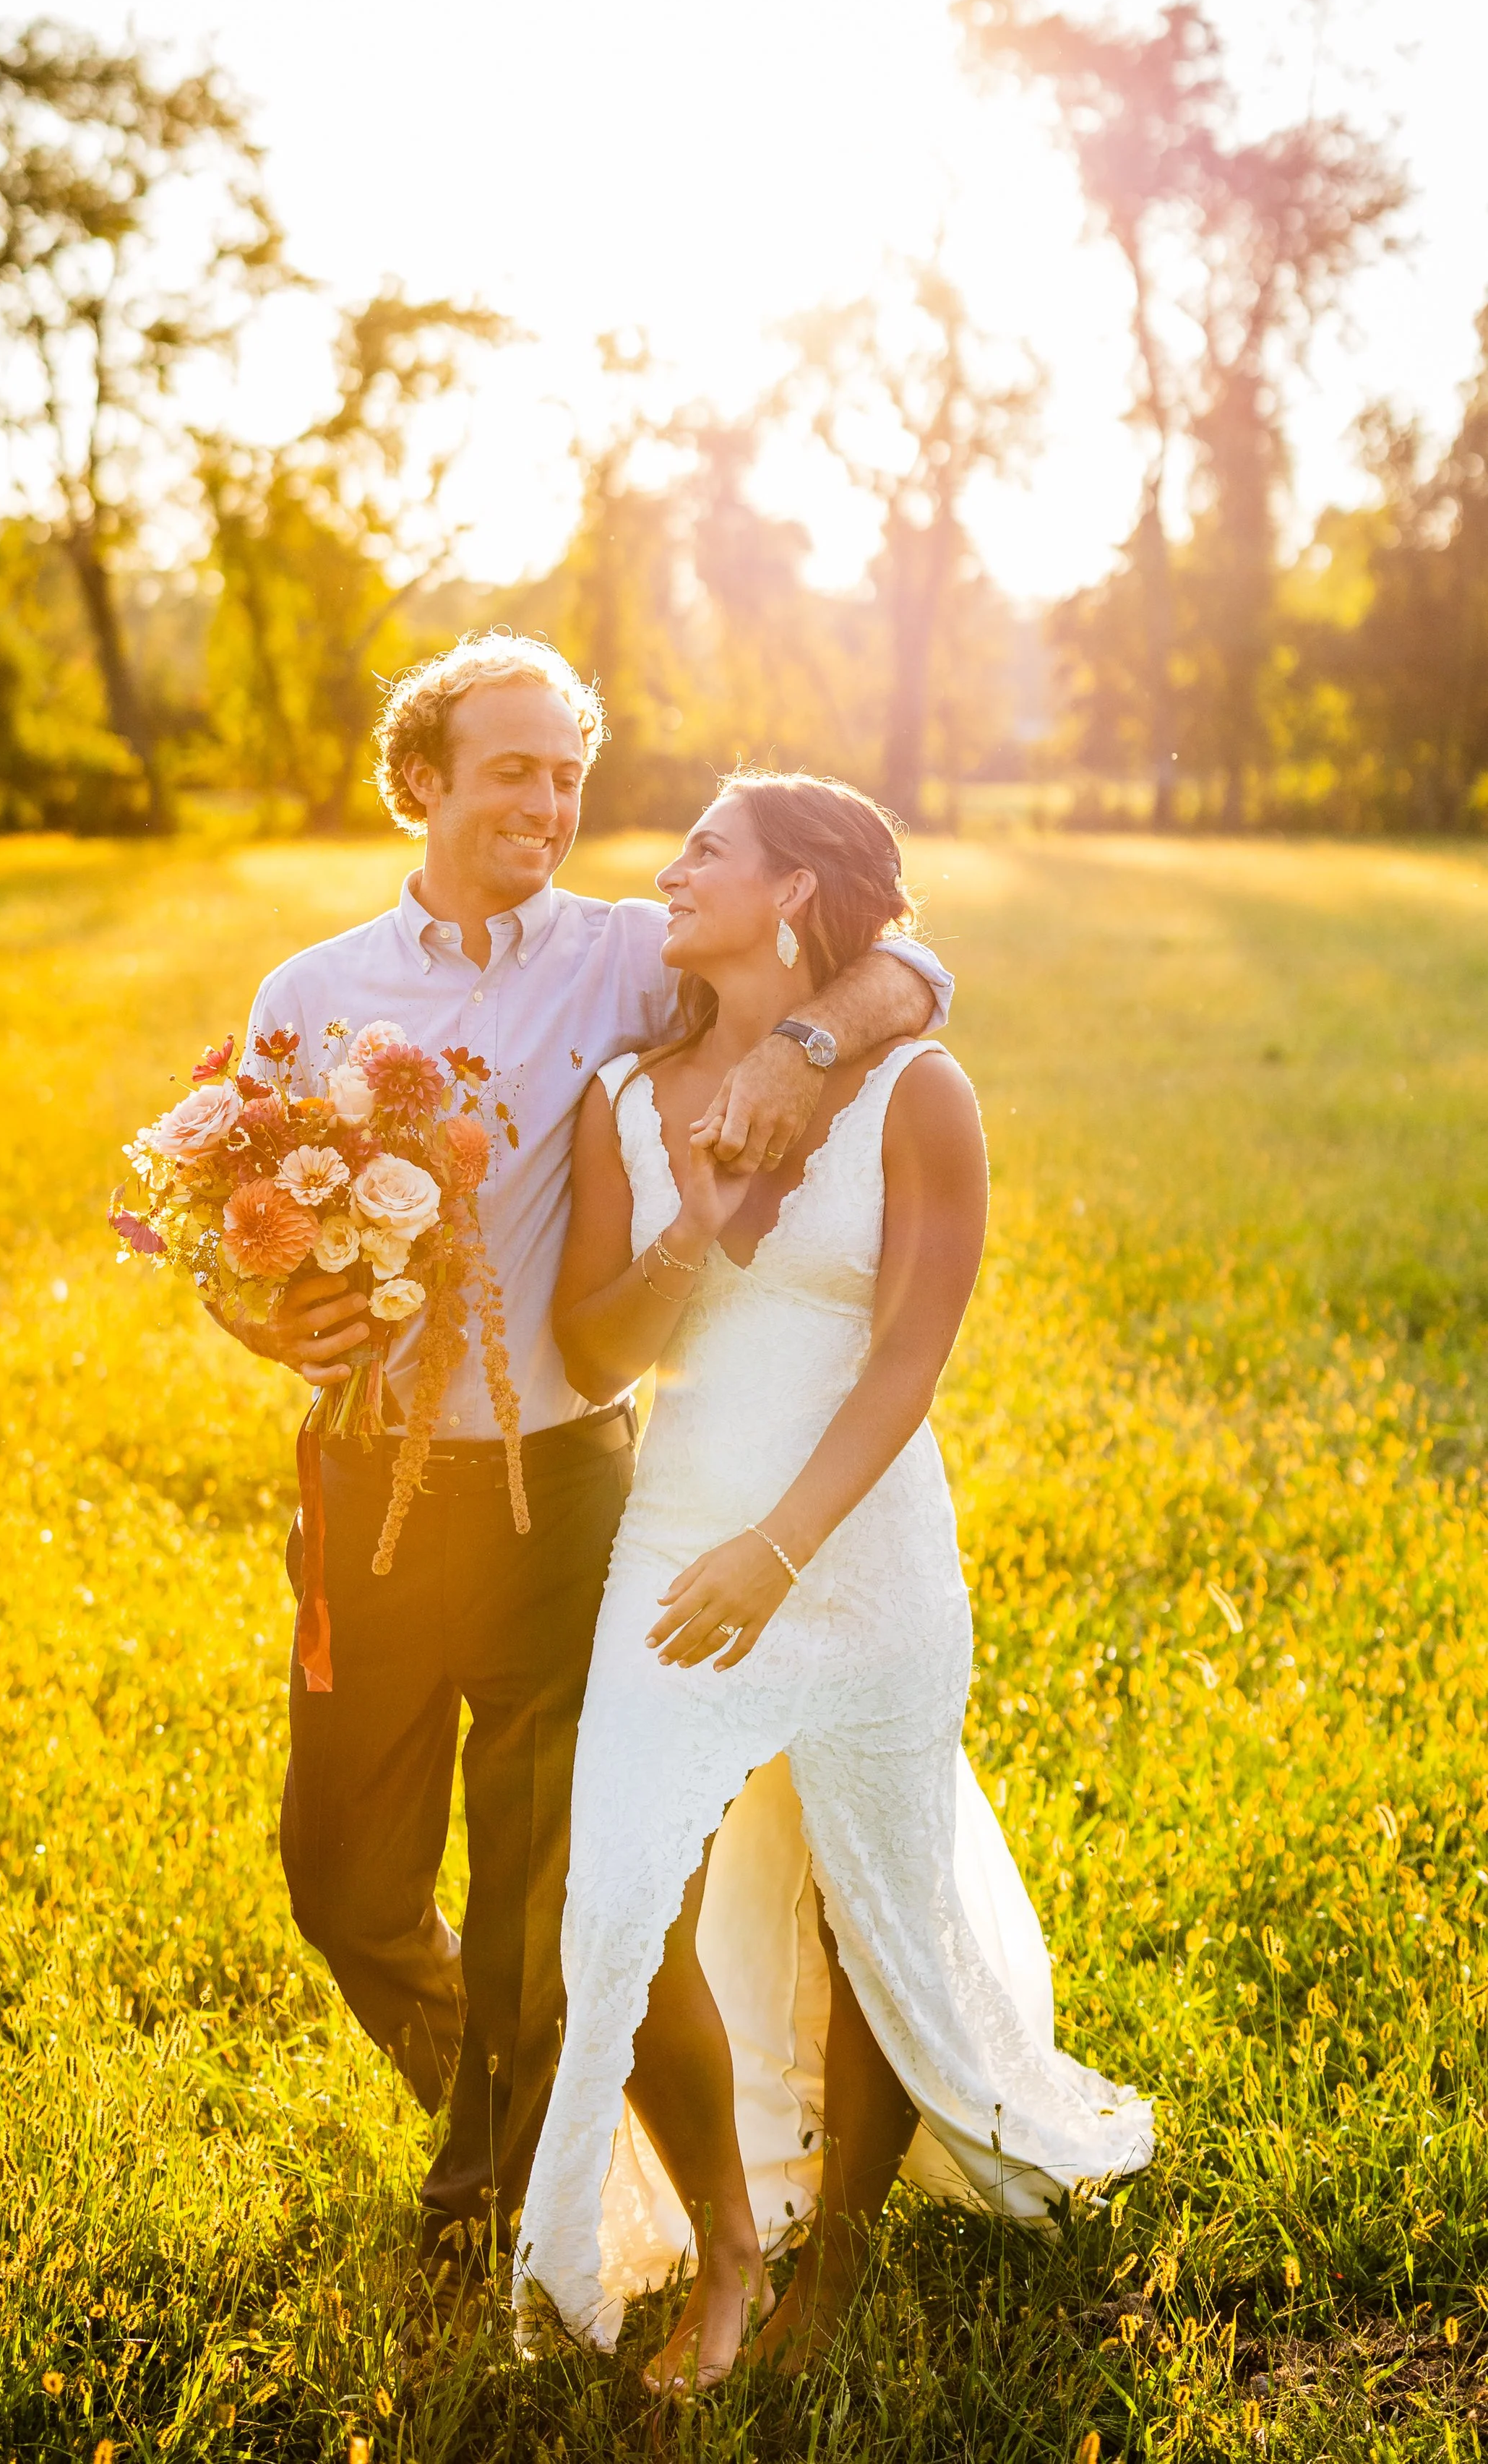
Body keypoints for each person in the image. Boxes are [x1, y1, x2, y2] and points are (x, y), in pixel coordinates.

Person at [213, 635, 953, 2314]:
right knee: (343, 1886)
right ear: (422, 783)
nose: (547, 804)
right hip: (362, 1490)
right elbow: (230, 1244)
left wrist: (804, 1052)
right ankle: (534, 2135)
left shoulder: (627, 960)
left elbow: (907, 972)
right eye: (509, 772)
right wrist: (259, 1313)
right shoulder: (311, 993)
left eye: (566, 773)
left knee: (532, 1897)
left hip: (563, 1494)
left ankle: (490, 2194)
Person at [515, 768, 1151, 2390]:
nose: (664, 870)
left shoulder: (915, 1092)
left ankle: (839, 2263)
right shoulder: (620, 1099)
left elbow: (907, 1359)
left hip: (856, 1553)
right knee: (616, 1907)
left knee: (870, 1888)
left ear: (795, 892)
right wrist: (686, 1235)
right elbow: (589, 1350)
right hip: (674, 1543)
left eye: (704, 851)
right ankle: (728, 2241)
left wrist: (779, 1549)